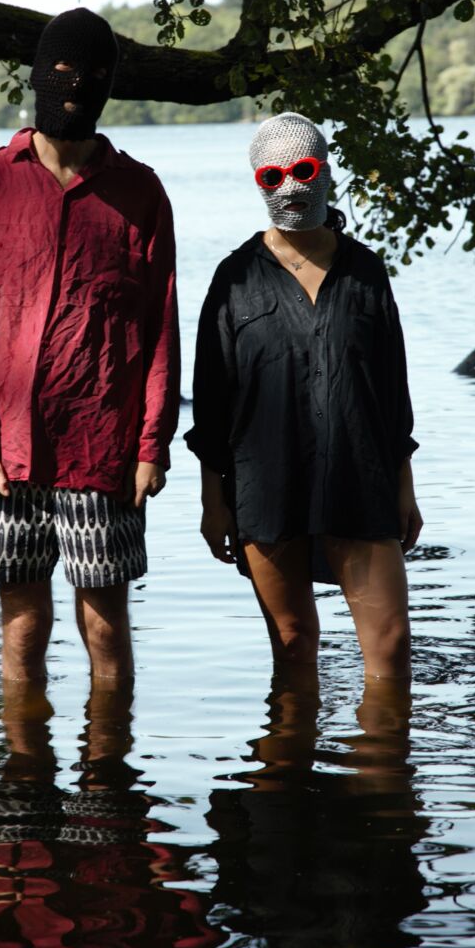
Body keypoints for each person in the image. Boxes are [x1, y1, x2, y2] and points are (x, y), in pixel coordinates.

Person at [0, 7, 179, 683]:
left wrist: (150, 447)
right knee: (21, 623)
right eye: (64, 72)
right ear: (40, 76)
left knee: (106, 622)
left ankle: (110, 777)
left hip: (104, 446)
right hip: (5, 450)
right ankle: (26, 777)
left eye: (96, 75)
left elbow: (161, 327)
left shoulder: (141, 192)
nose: (77, 87)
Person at [184, 112, 421, 680]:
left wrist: (405, 490)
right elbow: (212, 403)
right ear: (257, 182)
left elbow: (393, 393)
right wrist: (212, 503)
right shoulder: (234, 278)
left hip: (360, 480)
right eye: (272, 176)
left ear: (327, 172)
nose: (290, 185)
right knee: (293, 644)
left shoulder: (365, 271)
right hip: (265, 488)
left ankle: (385, 764)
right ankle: (289, 767)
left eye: (304, 169)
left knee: (389, 649)